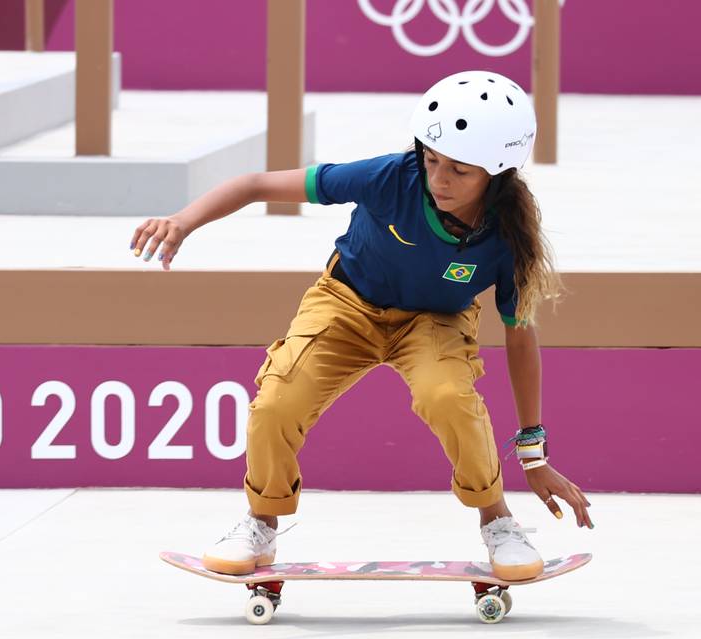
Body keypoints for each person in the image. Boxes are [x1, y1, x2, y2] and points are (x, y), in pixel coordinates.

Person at [128, 71, 594, 581]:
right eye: (431, 159)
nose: (438, 179)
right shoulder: (388, 178)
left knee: (447, 397)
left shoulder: (509, 237)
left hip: (436, 321)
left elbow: (521, 338)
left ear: (498, 174)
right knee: (277, 399)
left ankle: (497, 519)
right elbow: (256, 184)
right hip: (346, 304)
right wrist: (183, 221)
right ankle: (260, 524)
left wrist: (534, 455)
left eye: (460, 170)